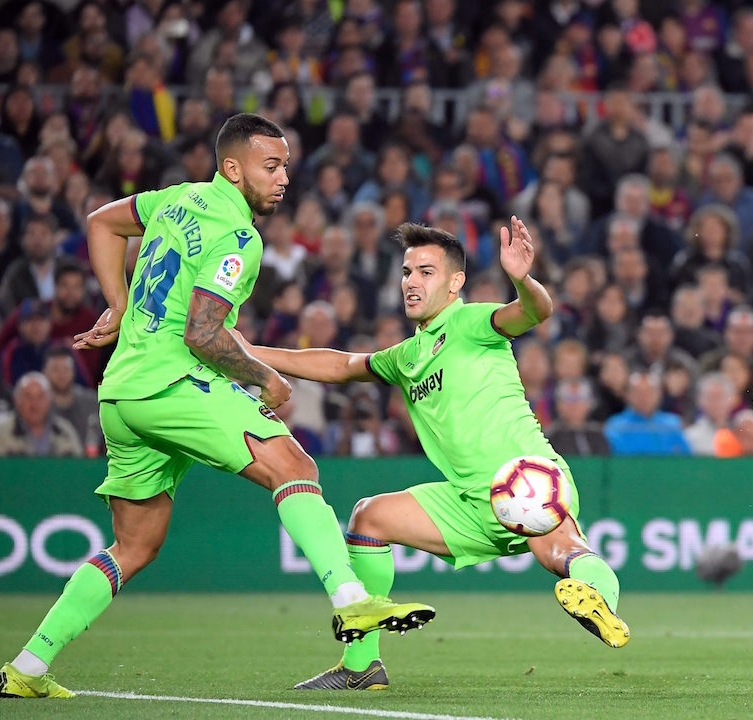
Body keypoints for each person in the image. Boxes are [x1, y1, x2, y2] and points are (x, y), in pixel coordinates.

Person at [0, 113, 432, 700]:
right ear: (232, 168)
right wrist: (266, 378)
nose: (283, 178)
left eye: (285, 166)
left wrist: (120, 305)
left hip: (121, 393)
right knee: (294, 466)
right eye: (270, 166)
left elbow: (101, 224)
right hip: (172, 383)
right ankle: (351, 599)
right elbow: (202, 333)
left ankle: (26, 667)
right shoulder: (238, 237)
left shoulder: (175, 199)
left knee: (135, 546)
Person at [238, 217, 630, 692]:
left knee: (561, 552)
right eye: (407, 272)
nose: (411, 282)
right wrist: (250, 352)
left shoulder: (470, 323)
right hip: (466, 500)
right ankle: (361, 667)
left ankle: (600, 603)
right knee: (368, 518)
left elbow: (534, 312)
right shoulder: (407, 356)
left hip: (526, 477)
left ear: (455, 282)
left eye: (426, 272)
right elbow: (341, 365)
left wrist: (523, 280)